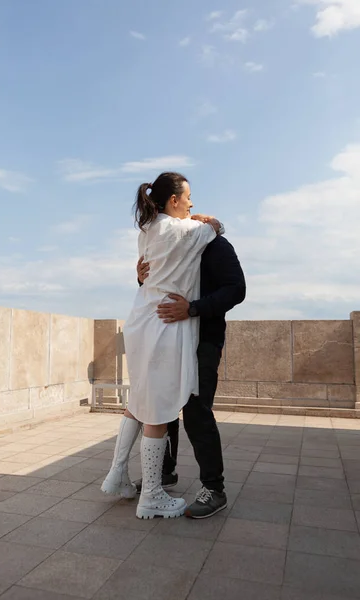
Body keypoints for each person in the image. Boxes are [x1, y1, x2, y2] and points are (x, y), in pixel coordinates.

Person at [101, 172, 223, 519]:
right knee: (156, 410)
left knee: (138, 402)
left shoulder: (147, 229)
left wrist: (140, 275)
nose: (191, 204)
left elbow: (146, 272)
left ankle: (117, 474)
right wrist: (204, 219)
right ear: (174, 200)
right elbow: (218, 225)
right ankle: (152, 494)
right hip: (164, 324)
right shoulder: (186, 230)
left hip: (140, 319)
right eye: (188, 198)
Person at [135, 221, 246, 518]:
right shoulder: (173, 247)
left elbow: (236, 289)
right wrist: (141, 278)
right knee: (162, 405)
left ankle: (214, 488)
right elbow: (158, 289)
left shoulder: (216, 246)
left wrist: (193, 308)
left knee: (196, 411)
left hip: (203, 341)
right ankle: (163, 475)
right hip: (169, 338)